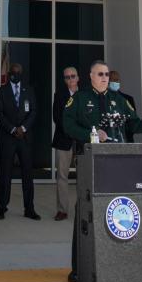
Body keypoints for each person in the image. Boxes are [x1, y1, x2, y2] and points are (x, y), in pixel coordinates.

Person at [63, 60, 142, 282]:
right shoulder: (79, 99)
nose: (105, 77)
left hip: (117, 163)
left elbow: (133, 125)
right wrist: (92, 134)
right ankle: (79, 267)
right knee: (85, 212)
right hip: (90, 161)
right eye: (100, 74)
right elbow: (67, 125)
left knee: (116, 210)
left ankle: (114, 263)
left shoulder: (120, 100)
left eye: (107, 74)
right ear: (90, 76)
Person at [0, 62, 40, 221]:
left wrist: (23, 128)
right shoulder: (2, 91)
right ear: (9, 73)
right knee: (5, 174)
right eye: (13, 72)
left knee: (27, 174)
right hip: (8, 137)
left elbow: (34, 111)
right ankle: (1, 207)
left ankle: (29, 208)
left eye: (18, 72)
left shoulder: (29, 90)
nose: (16, 74)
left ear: (22, 73)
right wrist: (13, 129)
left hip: (25, 138)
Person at [52, 67, 79, 220]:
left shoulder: (85, 94)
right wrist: (70, 130)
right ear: (64, 79)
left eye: (73, 76)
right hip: (64, 139)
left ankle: (83, 208)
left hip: (82, 141)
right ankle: (62, 210)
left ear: (78, 78)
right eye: (67, 77)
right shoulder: (59, 95)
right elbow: (56, 117)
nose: (70, 79)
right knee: (62, 176)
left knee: (84, 177)